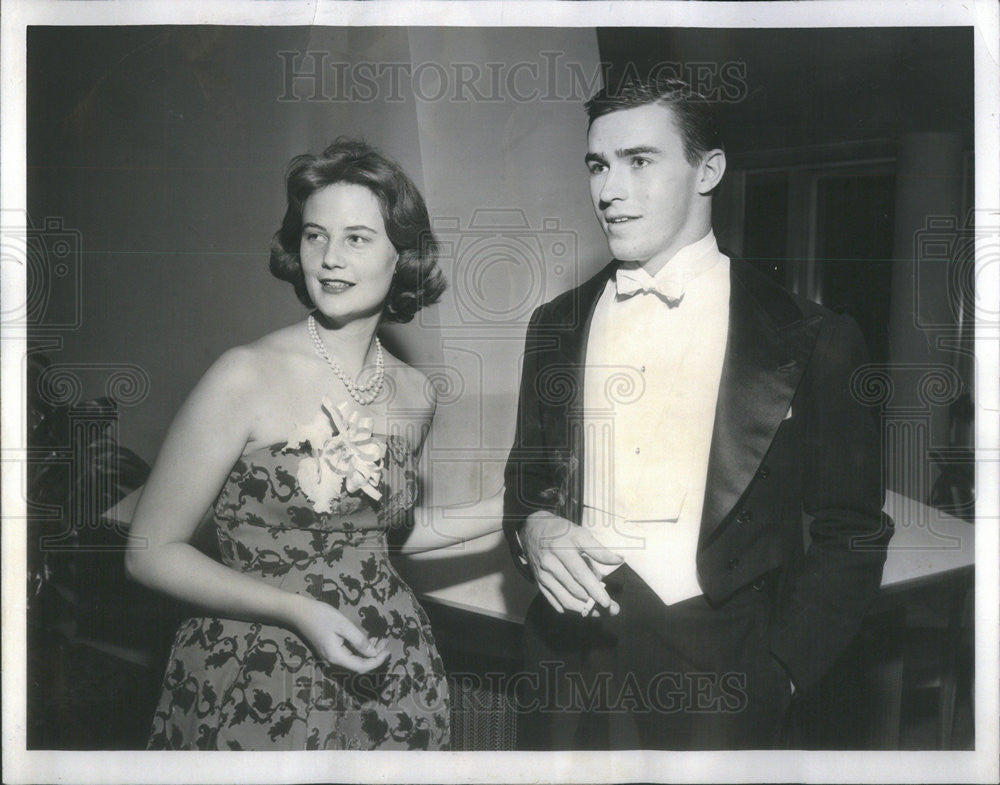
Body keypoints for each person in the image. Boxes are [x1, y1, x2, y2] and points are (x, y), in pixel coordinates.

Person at [502, 78, 892, 749]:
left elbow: (851, 529)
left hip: (724, 679)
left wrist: (783, 671)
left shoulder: (815, 336)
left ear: (708, 169)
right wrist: (532, 528)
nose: (608, 190)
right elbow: (525, 482)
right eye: (598, 164)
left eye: (640, 161)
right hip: (564, 670)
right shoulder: (554, 324)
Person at [126, 138, 500, 751]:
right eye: (314, 235)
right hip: (253, 665)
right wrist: (298, 611)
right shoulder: (243, 375)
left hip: (388, 664)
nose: (328, 258)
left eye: (357, 238)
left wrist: (514, 505)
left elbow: (377, 535)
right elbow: (149, 552)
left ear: (401, 255)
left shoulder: (415, 393)